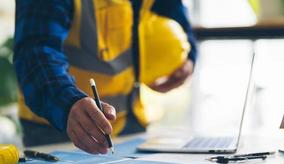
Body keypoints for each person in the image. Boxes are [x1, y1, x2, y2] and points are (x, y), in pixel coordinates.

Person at [14, 0, 197, 154]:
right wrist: (67, 101)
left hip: (132, 122)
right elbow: (35, 51)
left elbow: (177, 15)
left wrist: (189, 57)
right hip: (60, 126)